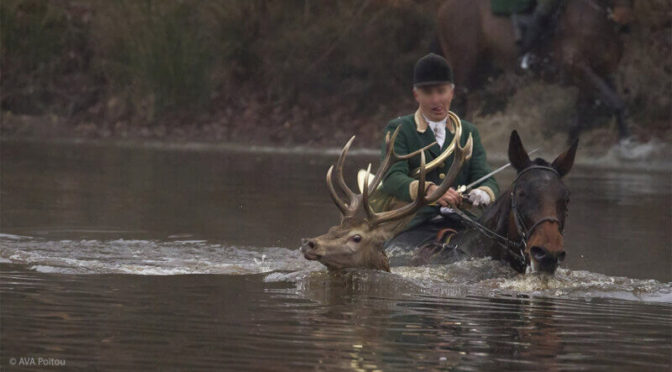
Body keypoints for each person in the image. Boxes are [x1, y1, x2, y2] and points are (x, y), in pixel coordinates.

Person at [380, 53, 499, 250]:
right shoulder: (399, 129)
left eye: (441, 91)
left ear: (451, 92)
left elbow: (487, 178)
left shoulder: (469, 132)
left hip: (462, 223)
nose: (436, 99)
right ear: (416, 95)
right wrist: (429, 190)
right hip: (413, 223)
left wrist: (483, 193)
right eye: (428, 93)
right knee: (398, 259)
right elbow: (392, 178)